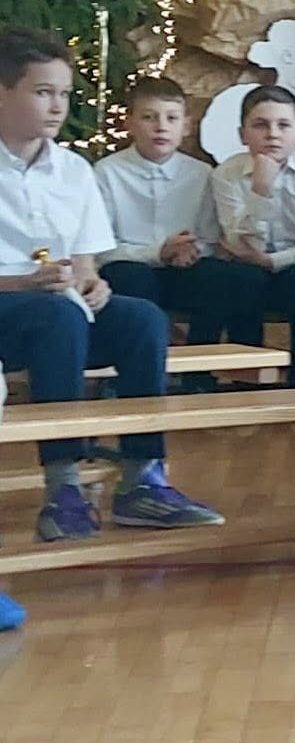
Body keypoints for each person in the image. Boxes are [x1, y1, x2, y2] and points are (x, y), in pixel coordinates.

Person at [0, 27, 222, 541]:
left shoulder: (73, 170)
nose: (58, 106)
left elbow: (85, 260)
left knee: (139, 316)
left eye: (63, 93)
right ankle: (63, 487)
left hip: (58, 310)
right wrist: (26, 283)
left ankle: (143, 477)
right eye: (43, 92)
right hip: (15, 309)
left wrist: (91, 283)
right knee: (57, 314)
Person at [95, 76, 242, 372]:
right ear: (129, 123)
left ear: (186, 126)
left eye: (171, 118)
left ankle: (199, 372)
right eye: (149, 117)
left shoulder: (202, 173)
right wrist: (157, 253)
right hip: (131, 268)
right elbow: (101, 247)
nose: (161, 127)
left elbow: (210, 237)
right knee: (130, 277)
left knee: (218, 277)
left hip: (183, 270)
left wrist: (191, 251)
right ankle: (131, 370)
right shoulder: (106, 172)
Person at [209, 85, 295, 388]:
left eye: (283, 125)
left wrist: (273, 261)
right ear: (243, 135)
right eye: (261, 125)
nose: (272, 134)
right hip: (249, 272)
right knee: (241, 278)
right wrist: (261, 190)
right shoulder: (226, 174)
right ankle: (247, 381)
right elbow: (241, 243)